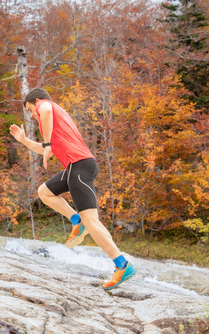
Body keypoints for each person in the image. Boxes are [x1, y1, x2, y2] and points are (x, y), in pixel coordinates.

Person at [9, 87, 136, 290]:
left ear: (37, 101)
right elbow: (44, 148)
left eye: (31, 110)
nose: (33, 115)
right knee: (44, 192)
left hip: (80, 166)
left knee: (92, 221)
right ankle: (76, 220)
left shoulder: (46, 107)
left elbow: (47, 113)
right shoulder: (55, 122)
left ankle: (122, 265)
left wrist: (48, 142)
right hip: (75, 167)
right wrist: (24, 141)